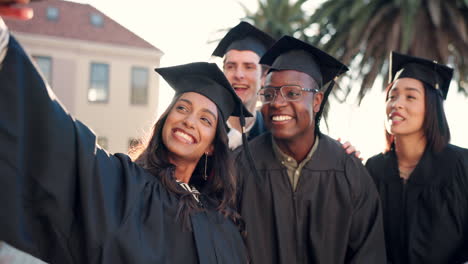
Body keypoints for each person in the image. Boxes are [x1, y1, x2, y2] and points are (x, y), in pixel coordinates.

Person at [0, 4, 249, 263]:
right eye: (182, 108)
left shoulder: (222, 225)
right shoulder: (124, 184)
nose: (188, 120)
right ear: (165, 119)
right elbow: (62, 142)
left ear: (212, 146)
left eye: (205, 119)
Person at [235, 35, 387, 263]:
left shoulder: (348, 172)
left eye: (293, 93)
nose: (277, 103)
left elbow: (368, 254)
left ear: (317, 101)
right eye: (269, 94)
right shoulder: (240, 166)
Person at [365, 51, 468, 264]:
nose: (397, 104)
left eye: (410, 96)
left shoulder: (460, 164)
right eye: (392, 96)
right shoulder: (374, 168)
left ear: (432, 107)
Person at [212, 21, 275, 149]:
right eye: (231, 66)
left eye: (249, 67)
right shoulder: (205, 130)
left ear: (264, 77)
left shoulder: (274, 139)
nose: (238, 75)